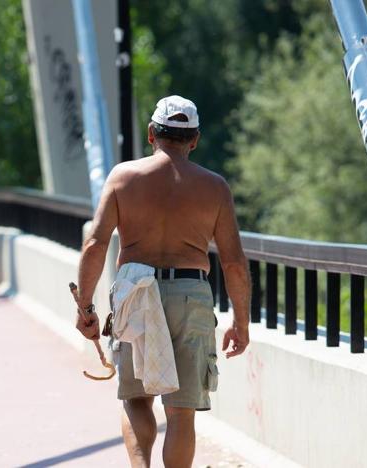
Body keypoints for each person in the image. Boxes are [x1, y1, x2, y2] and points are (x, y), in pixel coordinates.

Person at [72, 96, 251, 467]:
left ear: (151, 134)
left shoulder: (124, 177)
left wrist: (86, 308)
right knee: (181, 411)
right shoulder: (215, 188)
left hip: (137, 291)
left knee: (137, 399)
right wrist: (241, 323)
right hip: (191, 295)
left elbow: (95, 244)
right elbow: (233, 262)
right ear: (195, 140)